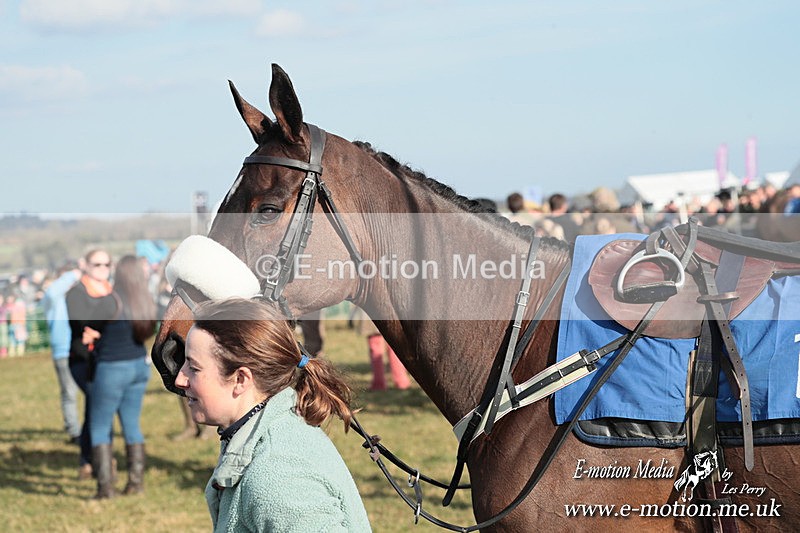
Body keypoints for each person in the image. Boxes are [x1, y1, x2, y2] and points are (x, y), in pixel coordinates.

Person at [175, 298, 371, 532]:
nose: (180, 379)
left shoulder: (278, 476)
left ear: (240, 380)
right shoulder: (268, 430)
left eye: (193, 368)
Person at [87, 255, 156, 498]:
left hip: (112, 367)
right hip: (139, 366)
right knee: (131, 425)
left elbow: (89, 325)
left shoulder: (110, 301)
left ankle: (106, 488)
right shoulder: (146, 302)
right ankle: (135, 484)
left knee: (99, 427)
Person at [66, 249, 117, 480]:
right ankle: (93, 460)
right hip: (82, 360)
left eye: (106, 264)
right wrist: (101, 329)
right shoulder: (75, 292)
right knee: (98, 406)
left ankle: (96, 459)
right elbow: (81, 325)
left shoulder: (112, 292)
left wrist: (98, 331)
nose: (102, 268)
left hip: (106, 357)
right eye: (97, 264)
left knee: (97, 408)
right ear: (85, 265)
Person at [42, 263, 82, 443]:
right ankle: (74, 432)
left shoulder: (77, 297)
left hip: (81, 348)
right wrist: (71, 275)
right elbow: (51, 292)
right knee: (69, 393)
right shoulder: (52, 299)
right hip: (63, 351)